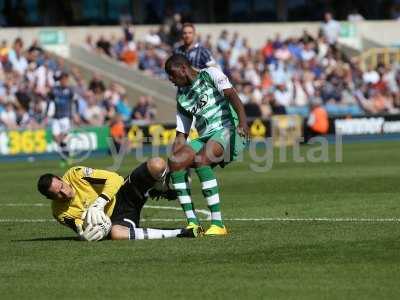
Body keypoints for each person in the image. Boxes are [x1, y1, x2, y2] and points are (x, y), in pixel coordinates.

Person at [165, 54, 249, 237]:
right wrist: (171, 167)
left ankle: (218, 224)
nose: (170, 79)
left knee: (201, 160)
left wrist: (243, 123)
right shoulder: (182, 97)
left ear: (183, 69)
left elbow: (233, 96)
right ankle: (193, 224)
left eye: (171, 74)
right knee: (175, 161)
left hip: (227, 128)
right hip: (206, 136)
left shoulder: (210, 74)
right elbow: (181, 134)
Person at [37, 157, 184, 241]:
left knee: (157, 164)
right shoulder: (59, 212)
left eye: (62, 186)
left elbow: (115, 178)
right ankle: (178, 233)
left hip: (123, 194)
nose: (64, 192)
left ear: (60, 178)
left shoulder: (75, 174)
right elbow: (82, 228)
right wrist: (88, 234)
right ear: (50, 198)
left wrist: (99, 203)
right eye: (58, 194)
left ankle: (160, 188)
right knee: (116, 234)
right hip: (118, 219)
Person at [46, 72, 78, 163]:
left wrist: (76, 114)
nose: (64, 81)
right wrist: (47, 113)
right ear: (60, 81)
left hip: (65, 116)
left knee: (64, 136)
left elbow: (76, 101)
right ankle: (67, 153)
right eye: (62, 80)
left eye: (65, 80)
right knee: (55, 137)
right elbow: (49, 100)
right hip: (56, 117)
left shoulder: (70, 91)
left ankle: (65, 156)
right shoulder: (54, 90)